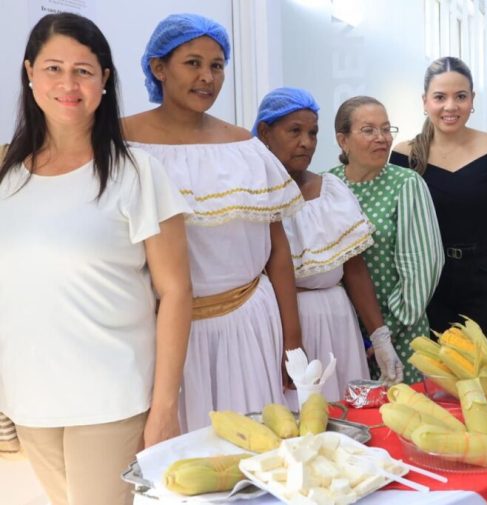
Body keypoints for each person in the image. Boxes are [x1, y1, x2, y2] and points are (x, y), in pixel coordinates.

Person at [0, 13, 191, 505]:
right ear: (29, 73)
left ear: (105, 80)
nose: (68, 84)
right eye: (53, 68)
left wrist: (165, 407)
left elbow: (175, 292)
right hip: (30, 399)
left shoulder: (137, 173)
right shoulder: (7, 178)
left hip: (110, 399)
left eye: (83, 70)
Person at [122, 14, 303, 431]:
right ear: (158, 67)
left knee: (257, 451)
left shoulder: (245, 147)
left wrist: (291, 338)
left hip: (250, 324)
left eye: (217, 65)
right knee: (182, 461)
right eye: (193, 63)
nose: (207, 77)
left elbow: (277, 250)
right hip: (161, 336)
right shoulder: (122, 143)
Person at [253, 87, 404, 394]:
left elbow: (354, 268)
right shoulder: (251, 196)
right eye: (295, 131)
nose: (306, 142)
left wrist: (380, 337)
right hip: (281, 324)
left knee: (343, 415)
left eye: (313, 133)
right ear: (266, 132)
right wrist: (291, 343)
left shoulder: (331, 190)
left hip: (337, 320)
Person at [391, 56, 487, 358]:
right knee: (437, 389)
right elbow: (396, 234)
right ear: (425, 101)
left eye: (460, 96)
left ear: (472, 100)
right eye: (440, 97)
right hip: (428, 288)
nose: (450, 106)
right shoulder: (404, 156)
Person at [329, 96, 444, 384]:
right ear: (343, 140)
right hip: (341, 331)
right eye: (368, 130)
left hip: (398, 333)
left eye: (386, 129)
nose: (381, 138)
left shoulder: (406, 184)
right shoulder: (327, 185)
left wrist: (383, 332)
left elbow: (422, 269)